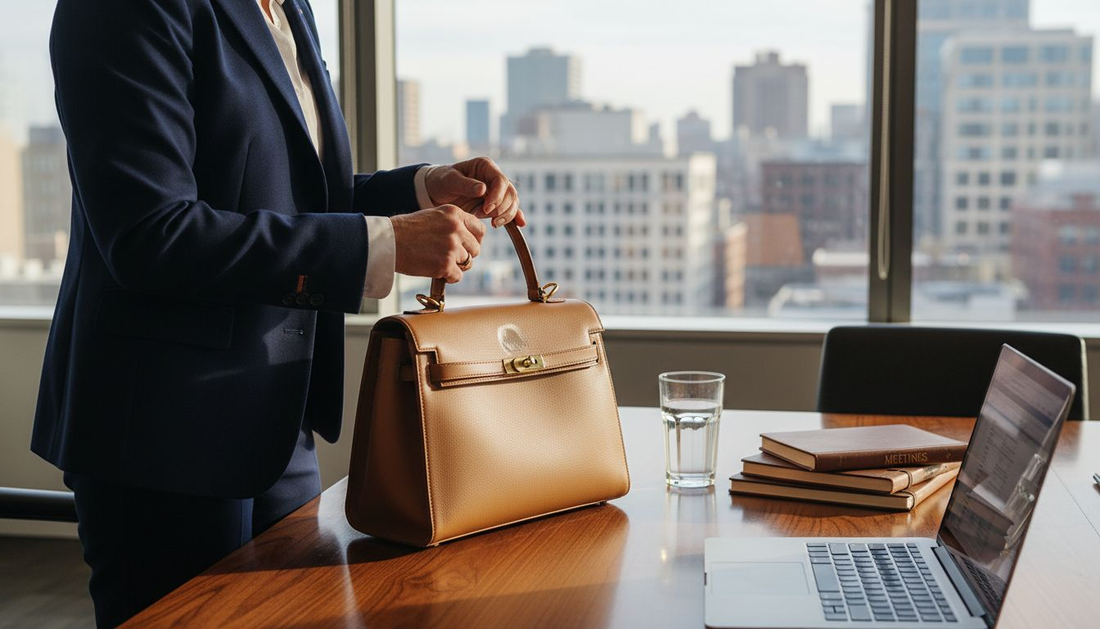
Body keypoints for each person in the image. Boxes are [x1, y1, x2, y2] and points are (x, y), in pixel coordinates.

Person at [31, 1, 524, 625]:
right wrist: (383, 243)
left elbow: (286, 193)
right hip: (161, 434)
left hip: (280, 419)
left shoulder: (288, 8)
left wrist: (422, 190)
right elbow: (150, 235)